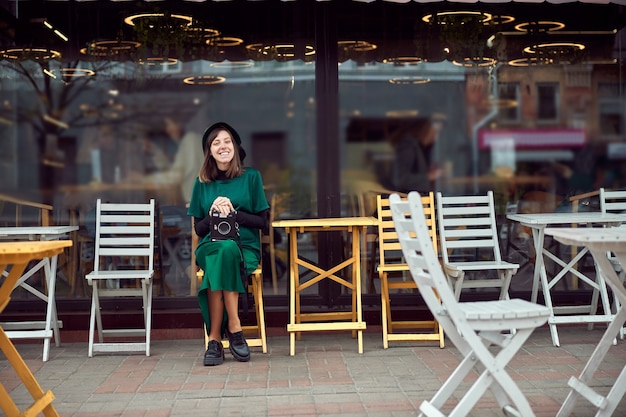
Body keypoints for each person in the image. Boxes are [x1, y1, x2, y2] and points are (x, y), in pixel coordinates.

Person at [187, 122, 270, 366]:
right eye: (216, 143)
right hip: (210, 245)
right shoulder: (201, 183)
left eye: (227, 141)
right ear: (209, 152)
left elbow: (262, 222)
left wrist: (234, 214)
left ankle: (214, 339)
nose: (222, 146)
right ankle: (234, 327)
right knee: (222, 250)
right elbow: (198, 229)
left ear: (234, 146)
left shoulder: (251, 177)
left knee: (224, 256)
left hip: (245, 248)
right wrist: (213, 214)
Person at [141, 117, 205, 204]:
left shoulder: (190, 141)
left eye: (169, 125)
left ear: (179, 124)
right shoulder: (190, 140)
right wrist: (155, 151)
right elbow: (174, 170)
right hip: (194, 201)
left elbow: (176, 176)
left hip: (194, 203)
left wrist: (142, 180)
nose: (167, 130)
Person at [390, 118, 443, 194]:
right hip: (410, 201)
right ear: (425, 129)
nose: (436, 138)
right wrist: (429, 176)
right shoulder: (408, 146)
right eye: (435, 132)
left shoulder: (423, 148)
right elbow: (399, 179)